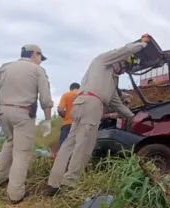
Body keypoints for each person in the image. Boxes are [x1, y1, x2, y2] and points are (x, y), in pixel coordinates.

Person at [46, 36, 148, 196]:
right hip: (91, 104)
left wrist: (134, 117)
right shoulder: (102, 60)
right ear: (118, 61)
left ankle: (54, 183)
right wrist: (142, 44)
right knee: (84, 146)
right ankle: (69, 184)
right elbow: (124, 50)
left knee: (69, 144)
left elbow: (118, 104)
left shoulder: (109, 79)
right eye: (123, 65)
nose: (122, 70)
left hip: (81, 105)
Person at [0, 44, 53, 204]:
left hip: (3, 111)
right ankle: (16, 194)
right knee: (22, 152)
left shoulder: (5, 67)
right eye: (40, 57)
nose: (41, 61)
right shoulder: (38, 71)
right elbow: (46, 100)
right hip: (23, 113)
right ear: (35, 54)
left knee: (10, 143)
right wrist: (47, 120)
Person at [56, 82, 80, 157]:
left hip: (68, 124)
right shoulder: (83, 95)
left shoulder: (66, 95)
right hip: (80, 125)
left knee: (63, 147)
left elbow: (60, 110)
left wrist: (64, 115)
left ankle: (62, 165)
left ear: (70, 89)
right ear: (79, 88)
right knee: (78, 148)